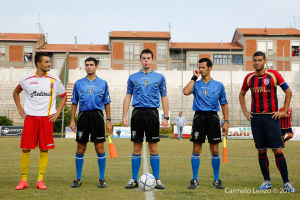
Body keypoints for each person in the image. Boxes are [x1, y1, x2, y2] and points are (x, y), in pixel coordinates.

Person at [239, 51, 295, 192]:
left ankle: (286, 183)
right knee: (261, 151)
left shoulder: (273, 75)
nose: (257, 62)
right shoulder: (249, 78)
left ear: (265, 61)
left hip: (271, 117)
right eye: (255, 60)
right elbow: (242, 94)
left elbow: (288, 92)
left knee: (278, 150)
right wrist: (245, 111)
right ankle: (267, 181)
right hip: (256, 118)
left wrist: (284, 110)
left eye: (259, 60)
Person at [13, 52, 67, 190]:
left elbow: (64, 96)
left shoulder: (54, 79)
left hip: (46, 119)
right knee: (26, 149)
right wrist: (20, 108)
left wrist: (57, 112)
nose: (50, 64)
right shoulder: (26, 79)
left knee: (44, 149)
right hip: (30, 118)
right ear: (38, 63)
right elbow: (15, 92)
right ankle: (23, 180)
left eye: (49, 62)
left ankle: (40, 180)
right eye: (47, 62)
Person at [123, 48, 169, 189]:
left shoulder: (160, 77)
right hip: (137, 113)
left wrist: (166, 116)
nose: (146, 60)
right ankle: (134, 178)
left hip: (153, 114)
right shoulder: (133, 77)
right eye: (143, 58)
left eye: (148, 58)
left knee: (153, 148)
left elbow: (164, 97)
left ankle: (157, 179)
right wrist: (125, 115)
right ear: (140, 60)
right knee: (136, 148)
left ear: (152, 60)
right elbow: (128, 96)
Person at [183, 58, 229, 190]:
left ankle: (216, 180)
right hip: (199, 117)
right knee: (196, 149)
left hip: (213, 118)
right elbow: (186, 92)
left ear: (210, 68)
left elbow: (224, 103)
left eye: (203, 67)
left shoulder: (219, 85)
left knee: (214, 150)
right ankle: (195, 180)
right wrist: (194, 77)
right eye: (199, 67)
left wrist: (226, 121)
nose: (201, 70)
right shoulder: (196, 84)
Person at [69, 57, 112, 188]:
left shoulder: (103, 83)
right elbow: (74, 102)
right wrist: (72, 120)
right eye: (87, 65)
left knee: (99, 148)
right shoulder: (78, 83)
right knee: (80, 148)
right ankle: (78, 178)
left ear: (96, 66)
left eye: (91, 65)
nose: (89, 67)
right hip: (83, 117)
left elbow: (107, 102)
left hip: (98, 116)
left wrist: (108, 121)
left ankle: (102, 178)